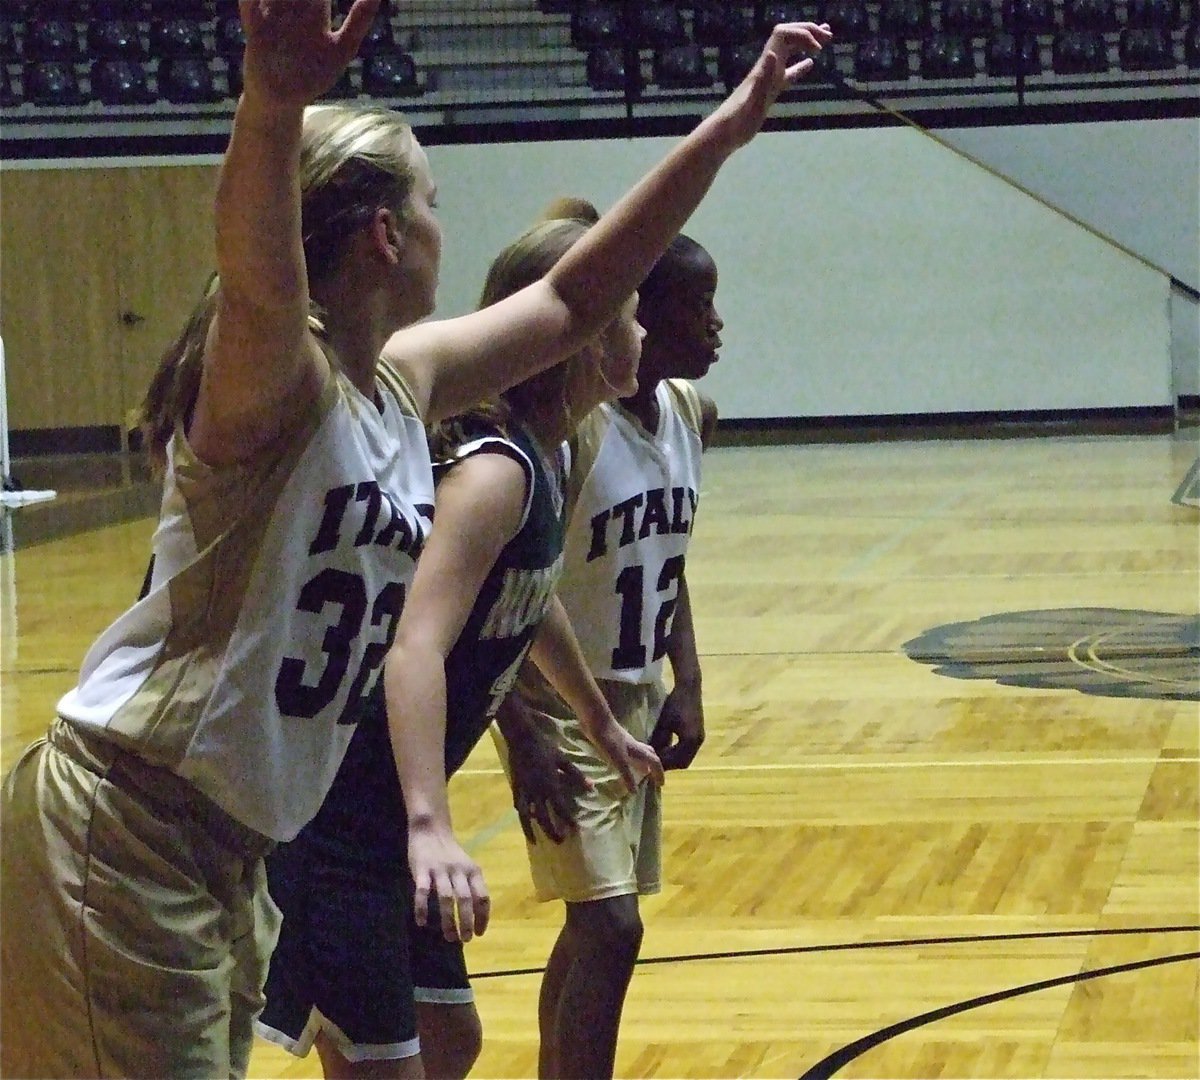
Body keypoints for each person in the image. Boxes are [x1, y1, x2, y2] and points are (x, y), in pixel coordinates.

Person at [0, 1, 831, 1074]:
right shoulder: (275, 383)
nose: (449, 223)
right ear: (387, 233)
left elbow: (578, 300)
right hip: (128, 821)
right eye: (433, 202)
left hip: (228, 846)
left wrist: (731, 122)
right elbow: (260, 277)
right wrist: (272, 98)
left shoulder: (407, 383)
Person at [255, 205, 664, 1079]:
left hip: (382, 823)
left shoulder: (553, 454)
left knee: (449, 1043)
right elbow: (413, 644)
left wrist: (596, 722)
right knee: (388, 1064)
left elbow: (526, 596)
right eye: (629, 311)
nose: (643, 327)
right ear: (587, 338)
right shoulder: (494, 471)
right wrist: (430, 825)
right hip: (342, 821)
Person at [496, 225, 724, 1079]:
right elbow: (505, 589)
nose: (715, 325)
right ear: (634, 315)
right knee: (612, 926)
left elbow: (668, 558)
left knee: (592, 922)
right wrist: (520, 734)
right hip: (555, 700)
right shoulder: (570, 437)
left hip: (631, 697)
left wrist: (688, 680)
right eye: (694, 304)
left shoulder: (692, 416)